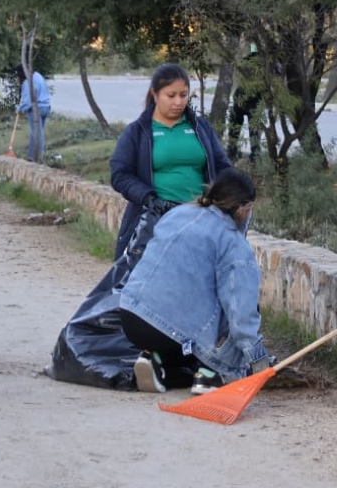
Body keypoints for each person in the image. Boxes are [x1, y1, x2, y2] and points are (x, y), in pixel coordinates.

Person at [117, 168, 272, 394]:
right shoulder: (234, 244)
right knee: (234, 304)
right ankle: (209, 373)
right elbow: (242, 313)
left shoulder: (178, 214)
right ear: (243, 208)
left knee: (183, 340)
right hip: (173, 334)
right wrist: (257, 358)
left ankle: (156, 361)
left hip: (131, 318)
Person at [109, 63, 232, 261]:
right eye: (171, 95)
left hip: (198, 218)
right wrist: (148, 198)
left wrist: (229, 193)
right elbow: (120, 174)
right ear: (155, 94)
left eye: (183, 95)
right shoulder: (137, 132)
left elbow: (222, 166)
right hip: (155, 220)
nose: (178, 102)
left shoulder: (201, 128)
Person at [16, 65, 51, 161]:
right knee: (37, 133)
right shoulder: (38, 76)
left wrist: (19, 109)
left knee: (36, 134)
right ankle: (31, 157)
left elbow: (27, 101)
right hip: (46, 107)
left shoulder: (28, 82)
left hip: (36, 109)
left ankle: (38, 157)